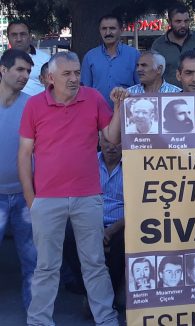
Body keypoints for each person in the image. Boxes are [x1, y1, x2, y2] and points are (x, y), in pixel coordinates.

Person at [19, 51, 123, 326]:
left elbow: (112, 137)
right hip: (47, 198)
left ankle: (106, 318)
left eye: (77, 72)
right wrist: (31, 199)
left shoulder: (93, 98)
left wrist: (118, 107)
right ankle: (39, 321)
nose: (74, 78)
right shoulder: (34, 105)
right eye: (67, 74)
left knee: (94, 263)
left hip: (87, 195)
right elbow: (24, 154)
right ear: (50, 78)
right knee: (46, 266)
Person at [62, 133, 126, 308]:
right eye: (107, 141)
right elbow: (77, 198)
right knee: (67, 234)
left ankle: (110, 293)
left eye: (117, 142)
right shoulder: (87, 163)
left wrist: (111, 230)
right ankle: (89, 292)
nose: (111, 147)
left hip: (121, 224)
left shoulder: (132, 167)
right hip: (91, 220)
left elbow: (137, 207)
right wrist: (93, 227)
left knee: (123, 242)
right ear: (99, 141)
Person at [0, 49, 36, 311]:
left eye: (28, 71)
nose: (25, 76)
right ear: (3, 70)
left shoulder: (32, 105)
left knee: (32, 260)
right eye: (20, 69)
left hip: (26, 195)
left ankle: (36, 316)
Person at [151, 3, 195, 90]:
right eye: (178, 21)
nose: (183, 25)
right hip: (168, 96)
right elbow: (153, 76)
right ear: (169, 22)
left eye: (186, 21)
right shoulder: (158, 45)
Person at [81, 14, 141, 104]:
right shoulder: (90, 57)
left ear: (121, 30)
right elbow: (85, 90)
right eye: (104, 29)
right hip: (98, 110)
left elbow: (140, 87)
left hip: (125, 109)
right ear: (100, 31)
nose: (108, 33)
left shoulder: (134, 55)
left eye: (112, 28)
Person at [6, 20, 50, 95]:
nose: (19, 39)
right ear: (8, 37)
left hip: (38, 102)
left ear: (30, 36)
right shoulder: (2, 61)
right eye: (14, 35)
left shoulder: (46, 59)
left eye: (23, 34)